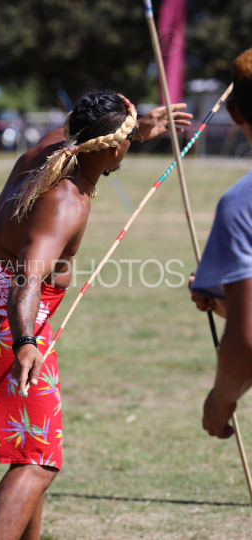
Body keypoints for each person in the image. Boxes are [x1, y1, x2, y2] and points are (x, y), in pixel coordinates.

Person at [0, 90, 192, 540]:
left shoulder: (52, 147)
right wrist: (25, 343)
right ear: (114, 146)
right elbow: (26, 279)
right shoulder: (66, 200)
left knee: (31, 454)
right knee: (39, 461)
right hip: (7, 326)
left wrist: (135, 130)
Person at [189, 48, 252, 440]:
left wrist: (221, 400)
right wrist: (229, 299)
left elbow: (247, 340)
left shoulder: (241, 204)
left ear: (235, 114)